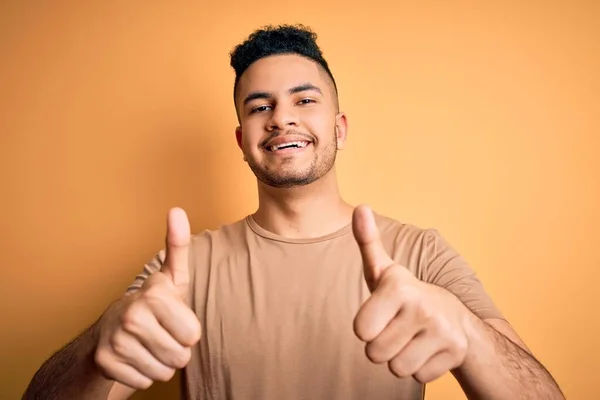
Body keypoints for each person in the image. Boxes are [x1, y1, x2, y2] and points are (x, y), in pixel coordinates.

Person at [23, 24, 564, 400]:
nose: (281, 119)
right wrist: (98, 346)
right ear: (242, 139)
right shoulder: (184, 268)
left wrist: (467, 331)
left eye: (304, 100)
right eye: (260, 107)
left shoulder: (420, 254)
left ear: (339, 127)